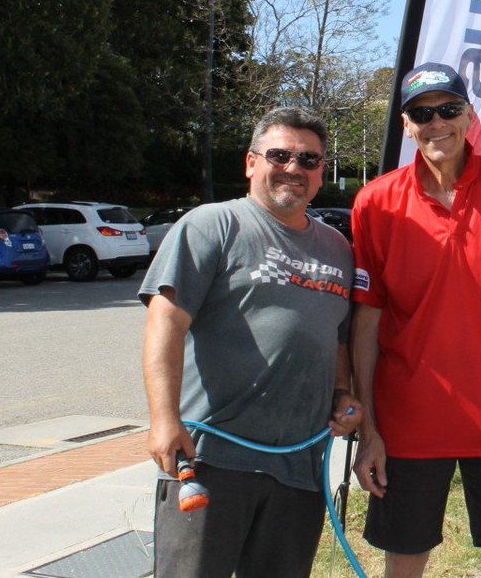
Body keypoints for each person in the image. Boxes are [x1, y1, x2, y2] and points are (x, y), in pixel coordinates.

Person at [349, 63, 481, 577]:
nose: (436, 122)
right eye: (422, 113)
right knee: (403, 564)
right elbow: (365, 325)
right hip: (407, 426)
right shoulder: (375, 203)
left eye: (448, 109)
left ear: (469, 115)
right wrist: (369, 432)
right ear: (406, 125)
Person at [140, 107, 361, 577]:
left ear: (321, 172)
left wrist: (343, 393)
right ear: (250, 163)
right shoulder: (212, 225)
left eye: (309, 160)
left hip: (300, 463)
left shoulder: (337, 248)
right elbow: (166, 322)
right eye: (279, 155)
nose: (293, 169)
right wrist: (163, 419)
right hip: (212, 459)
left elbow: (337, 338)